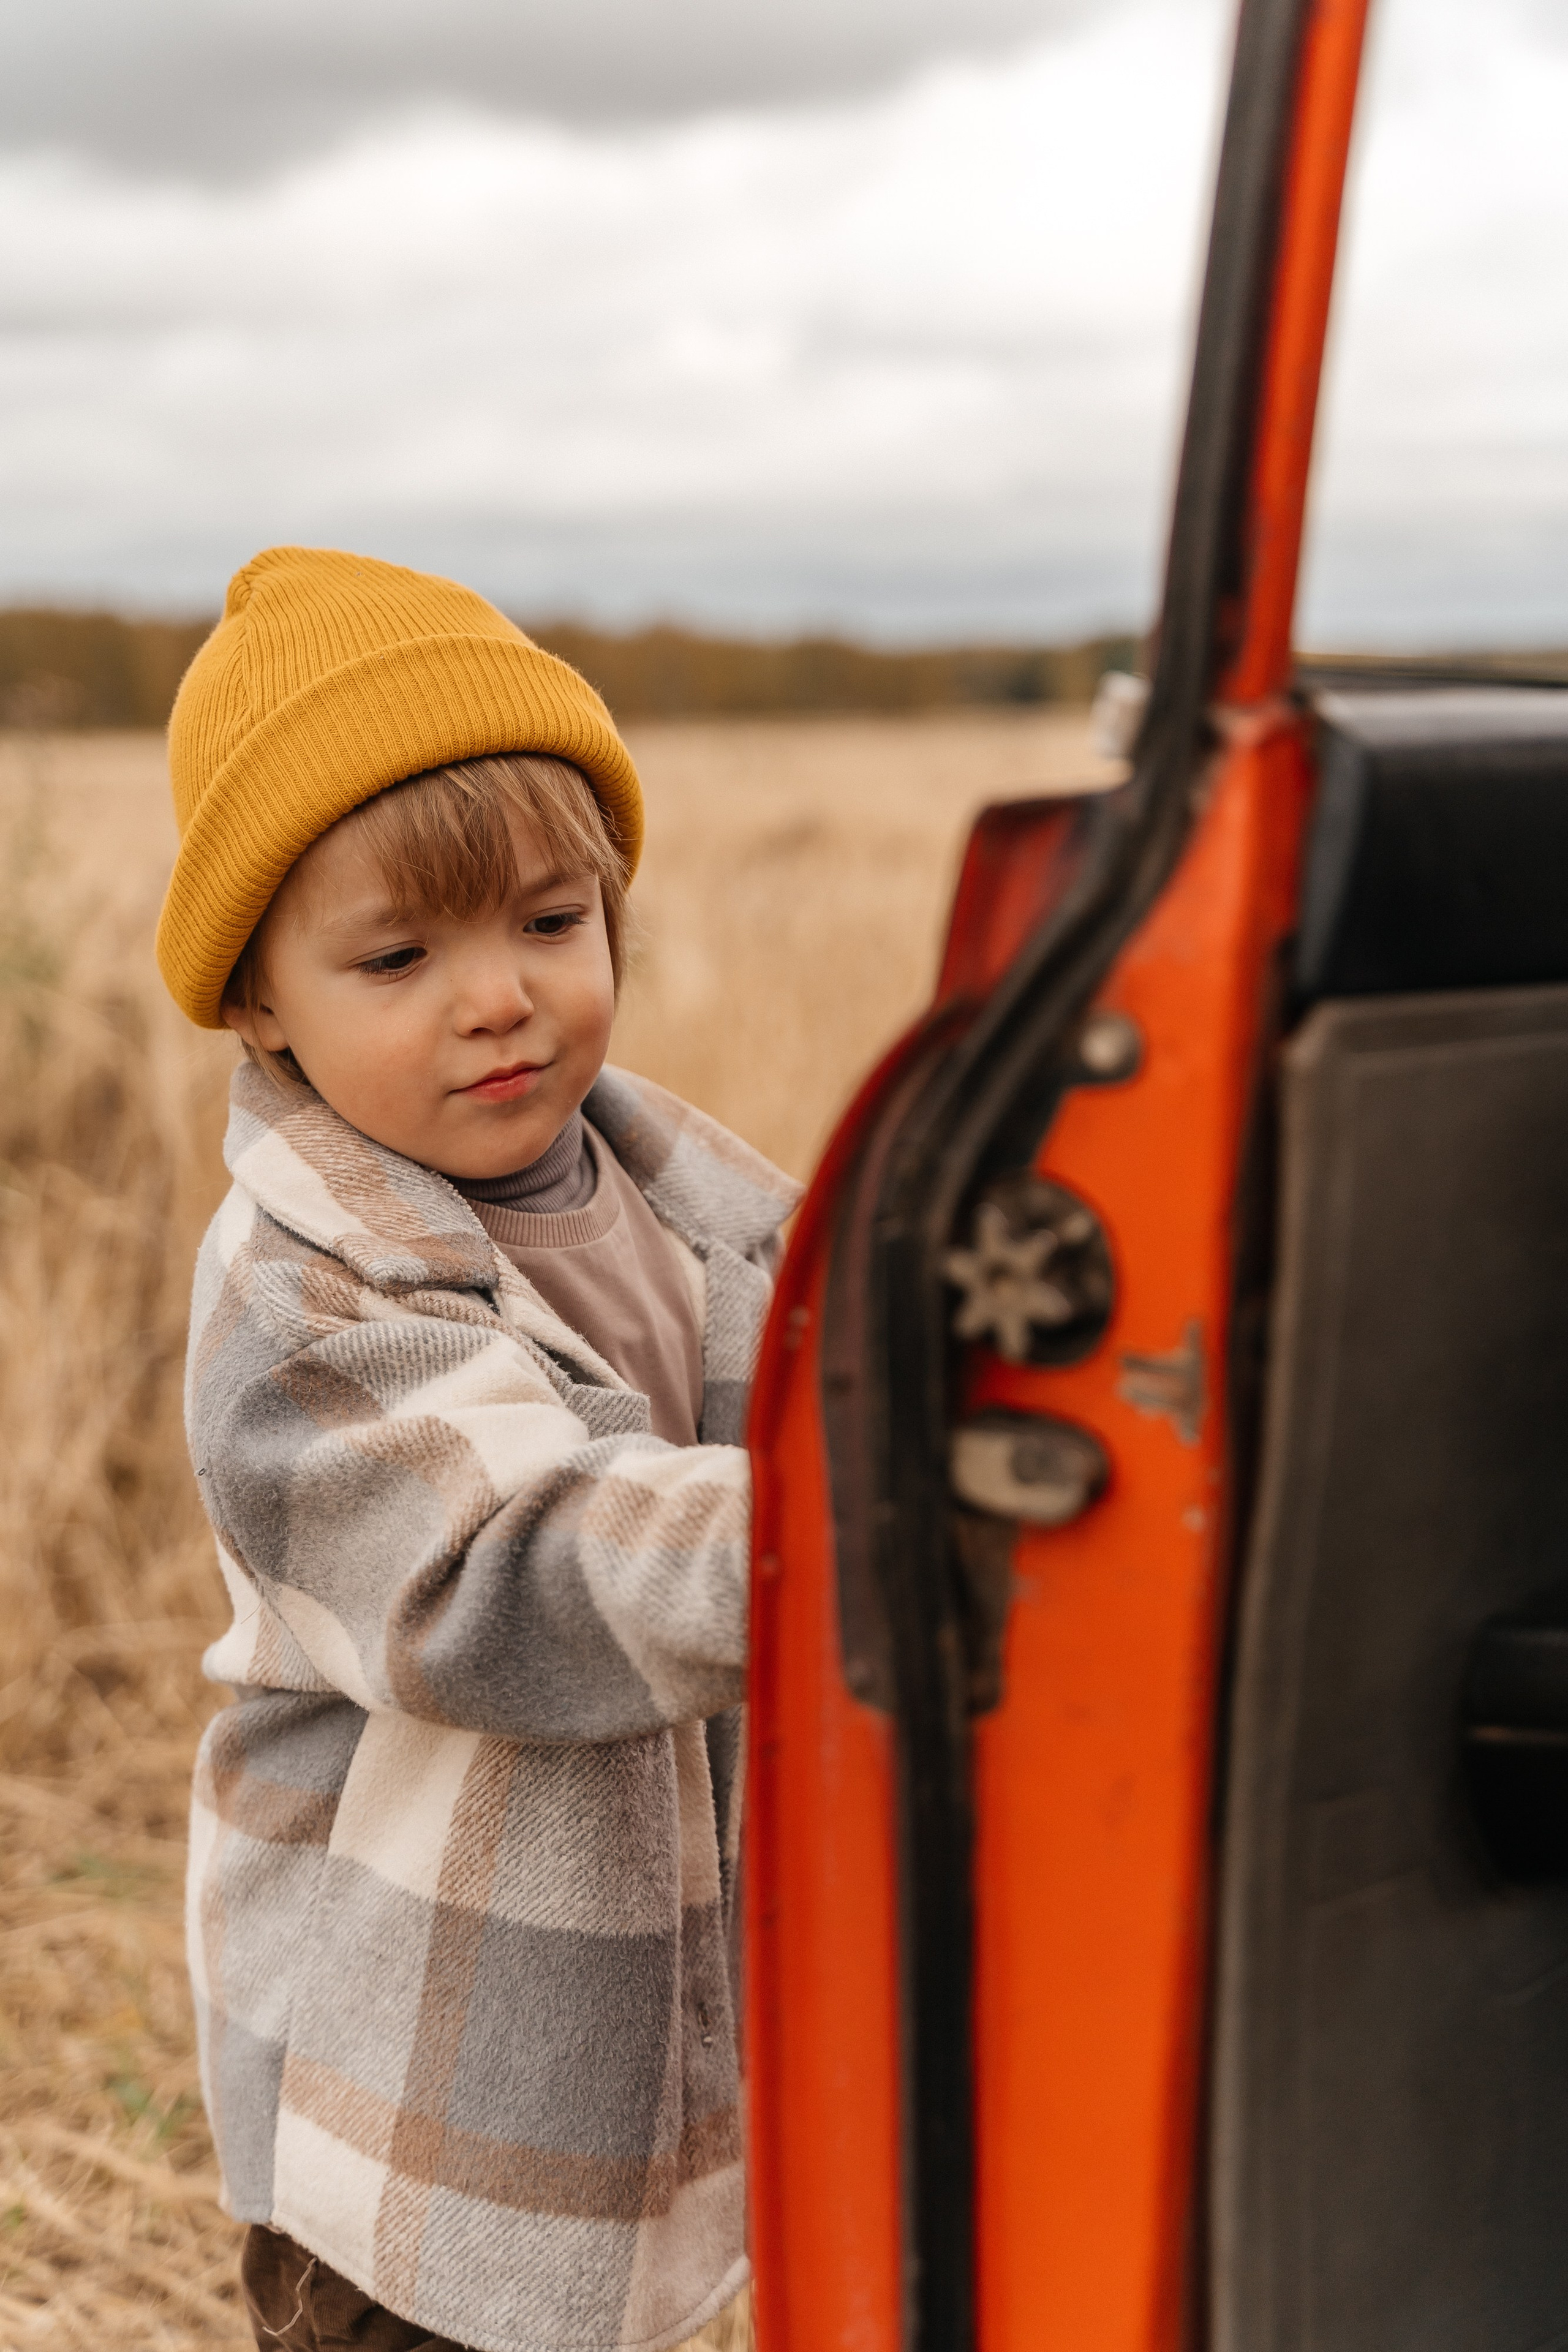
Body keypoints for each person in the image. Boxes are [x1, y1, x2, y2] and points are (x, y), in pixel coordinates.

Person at [156, 546, 799, 2352]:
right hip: (421, 2118)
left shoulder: (698, 1210)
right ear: (259, 1004)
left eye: (546, 918)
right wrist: (853, 1528)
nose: (499, 993)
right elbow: (506, 1565)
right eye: (398, 954)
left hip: (654, 2049)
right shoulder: (306, 1303)